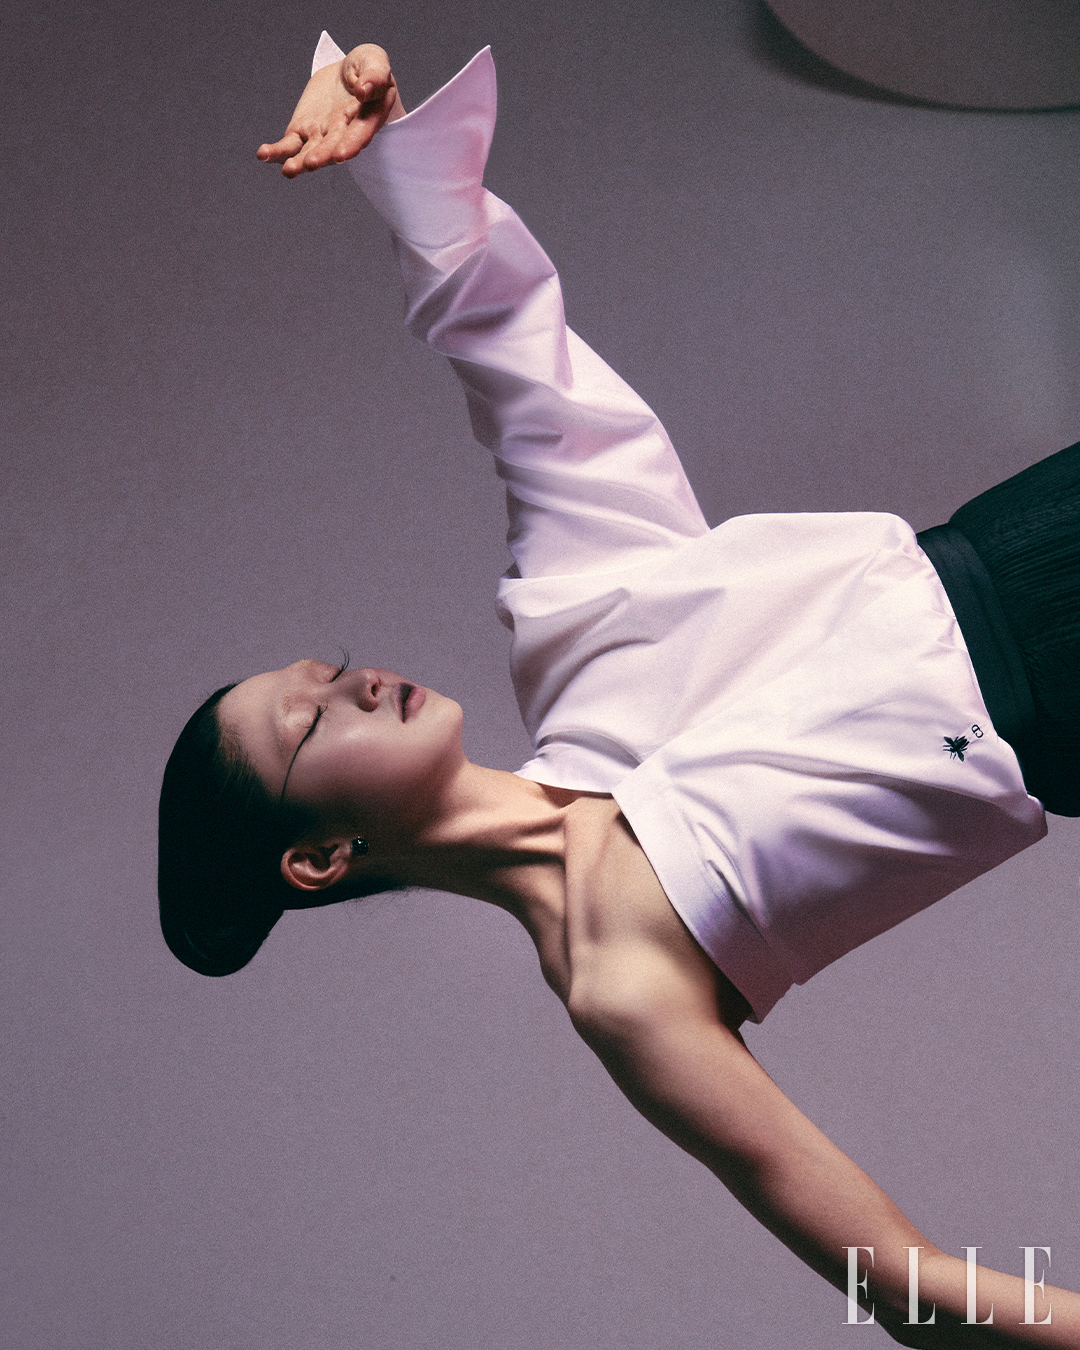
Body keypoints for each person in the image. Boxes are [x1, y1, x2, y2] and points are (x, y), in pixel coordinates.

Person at [158, 34, 1080, 1345]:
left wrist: (401, 159)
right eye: (311, 720)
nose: (357, 683)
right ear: (317, 856)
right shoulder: (622, 982)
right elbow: (900, 1280)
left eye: (328, 669)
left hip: (1029, 535)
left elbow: (522, 373)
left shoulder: (580, 638)